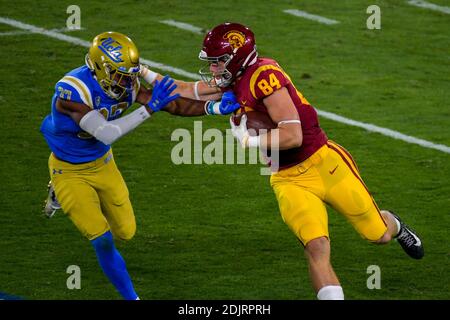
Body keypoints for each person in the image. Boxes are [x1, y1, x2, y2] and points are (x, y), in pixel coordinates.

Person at [198, 22, 424, 300]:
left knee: (378, 235)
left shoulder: (263, 75)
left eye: (218, 61)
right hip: (288, 179)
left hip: (324, 164)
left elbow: (293, 136)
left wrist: (249, 140)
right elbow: (188, 90)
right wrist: (145, 78)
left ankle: (395, 224)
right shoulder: (235, 79)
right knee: (316, 247)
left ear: (237, 56)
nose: (213, 69)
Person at [40, 31, 239, 299]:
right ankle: (132, 297)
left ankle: (72, 194)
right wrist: (149, 109)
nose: (126, 80)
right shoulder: (73, 91)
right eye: (120, 73)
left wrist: (213, 109)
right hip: (70, 169)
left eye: (130, 73)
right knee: (103, 240)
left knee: (126, 231)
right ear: (101, 68)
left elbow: (174, 104)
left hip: (102, 163)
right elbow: (106, 133)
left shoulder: (126, 83)